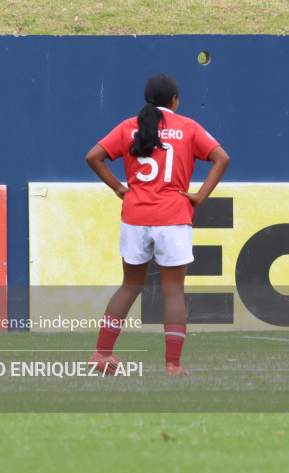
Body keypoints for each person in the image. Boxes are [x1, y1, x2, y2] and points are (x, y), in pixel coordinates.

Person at [86, 74, 229, 376]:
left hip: (136, 216)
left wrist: (117, 187)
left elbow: (94, 156)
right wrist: (200, 196)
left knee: (129, 286)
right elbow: (221, 157)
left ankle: (101, 354)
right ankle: (172, 365)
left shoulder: (129, 126)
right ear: (174, 100)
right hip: (173, 216)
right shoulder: (188, 127)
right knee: (174, 292)